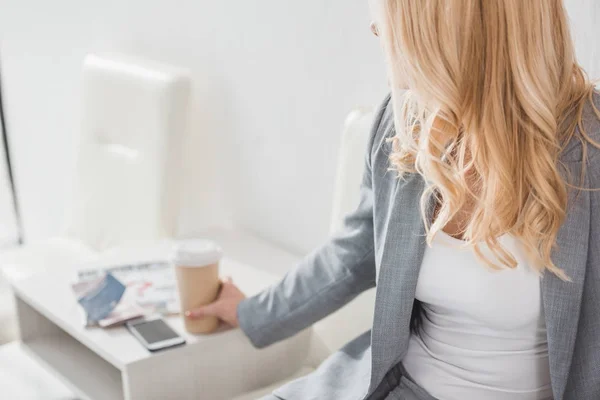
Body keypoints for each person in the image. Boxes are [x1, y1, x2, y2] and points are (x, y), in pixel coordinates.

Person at [186, 1, 600, 399]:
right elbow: (353, 255)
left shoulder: (590, 144)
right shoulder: (403, 122)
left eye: (395, 17)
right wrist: (253, 312)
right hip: (392, 386)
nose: (375, 30)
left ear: (452, 31)